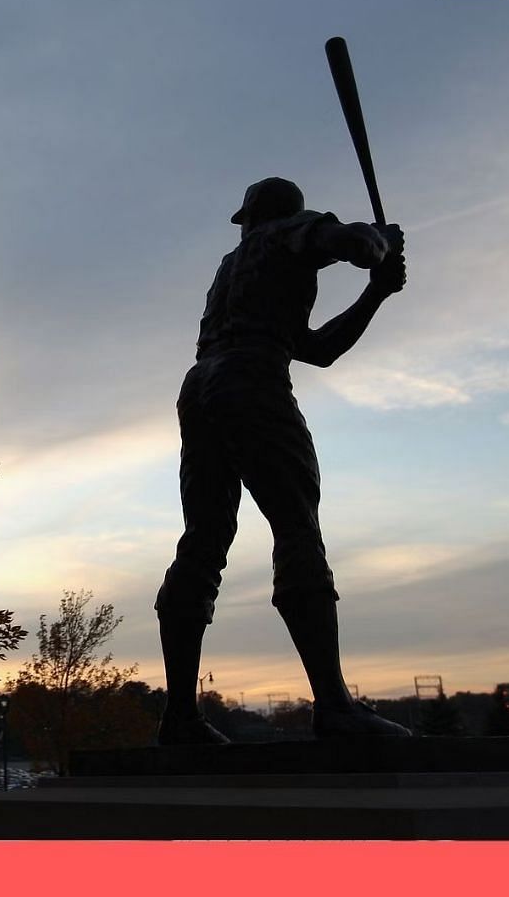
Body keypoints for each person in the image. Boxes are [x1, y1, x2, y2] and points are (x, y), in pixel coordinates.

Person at [155, 176, 411, 744]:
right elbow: (354, 245)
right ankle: (335, 707)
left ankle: (179, 718)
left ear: (248, 216)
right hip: (251, 381)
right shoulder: (287, 232)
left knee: (203, 538)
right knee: (297, 529)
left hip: (201, 387)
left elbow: (315, 350)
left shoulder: (234, 267)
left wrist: (374, 294)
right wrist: (376, 245)